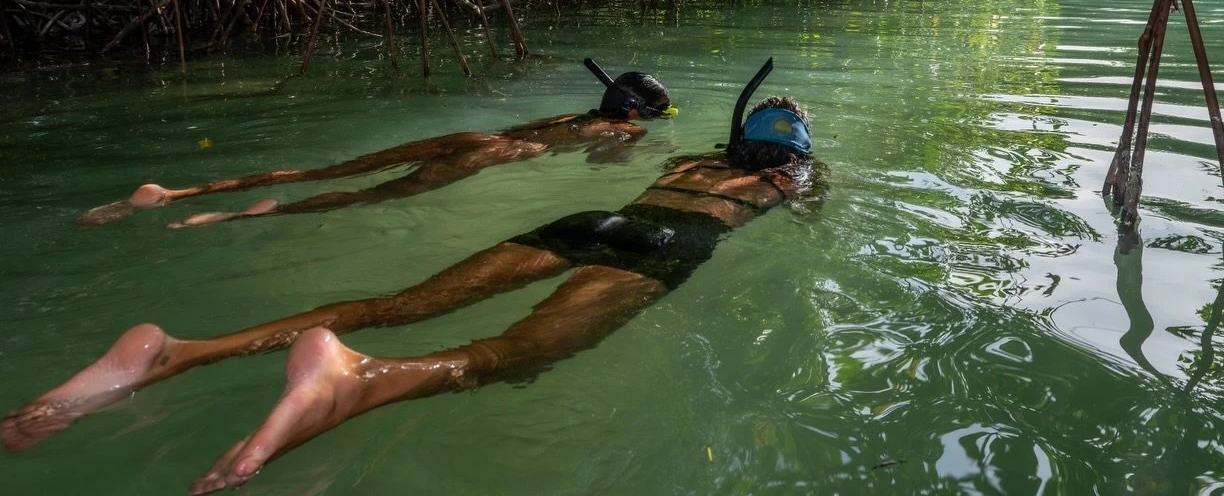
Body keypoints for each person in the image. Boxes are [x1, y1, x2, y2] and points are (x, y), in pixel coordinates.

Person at [2, 60, 817, 495]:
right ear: (798, 149)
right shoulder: (795, 177)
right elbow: (804, 209)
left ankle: (176, 351)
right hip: (662, 246)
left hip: (587, 222)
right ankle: (355, 378)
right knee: (503, 356)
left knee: (390, 302)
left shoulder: (690, 156)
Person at [77, 59, 675, 228]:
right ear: (631, 110)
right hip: (506, 153)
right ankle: (233, 215)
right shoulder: (621, 126)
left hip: (479, 137)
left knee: (330, 169)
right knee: (374, 196)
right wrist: (639, 147)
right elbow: (604, 161)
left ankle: (179, 191)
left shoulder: (572, 111)